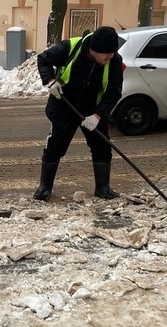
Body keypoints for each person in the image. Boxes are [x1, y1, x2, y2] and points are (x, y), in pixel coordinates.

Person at [33, 26, 124, 201]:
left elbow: (114, 91)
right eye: (106, 54)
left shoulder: (114, 61)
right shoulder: (70, 48)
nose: (110, 57)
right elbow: (43, 59)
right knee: (55, 146)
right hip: (64, 104)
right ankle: (45, 187)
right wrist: (51, 81)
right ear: (94, 49)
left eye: (113, 53)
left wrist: (98, 115)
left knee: (102, 147)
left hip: (93, 108)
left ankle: (103, 188)